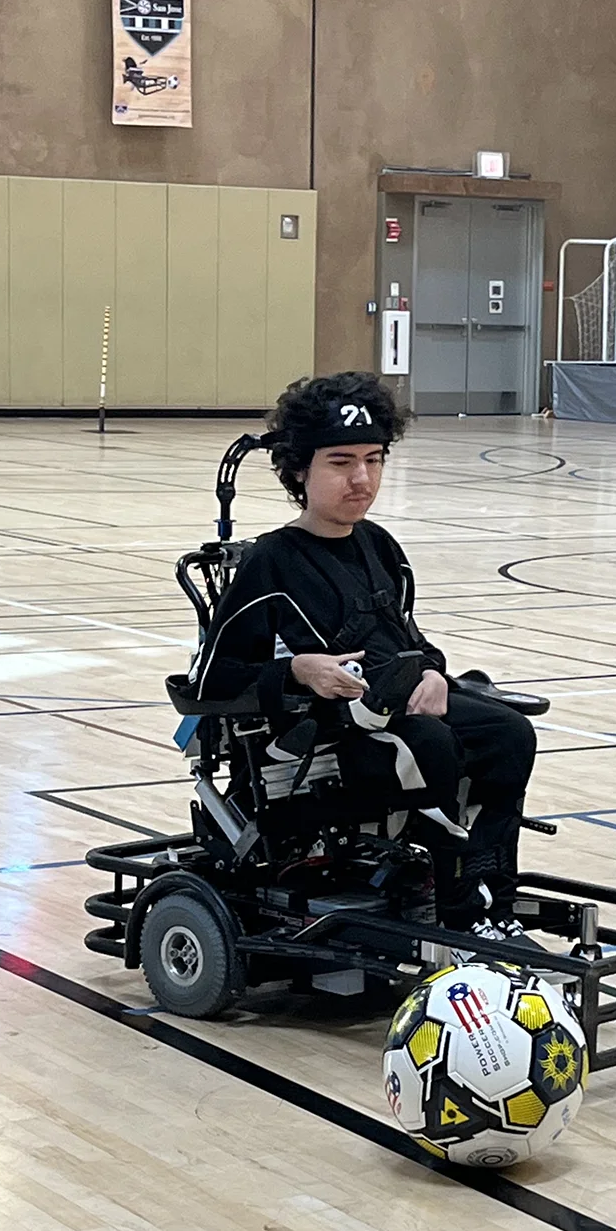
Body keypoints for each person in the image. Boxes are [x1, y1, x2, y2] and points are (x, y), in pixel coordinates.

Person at [193, 371, 538, 936]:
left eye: (374, 460)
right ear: (299, 469)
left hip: (398, 706)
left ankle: (493, 895)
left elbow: (409, 640)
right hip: (325, 739)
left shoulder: (380, 547)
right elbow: (212, 680)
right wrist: (298, 671)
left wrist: (434, 672)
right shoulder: (271, 563)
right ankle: (455, 914)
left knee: (508, 734)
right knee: (428, 742)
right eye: (341, 462)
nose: (361, 479)